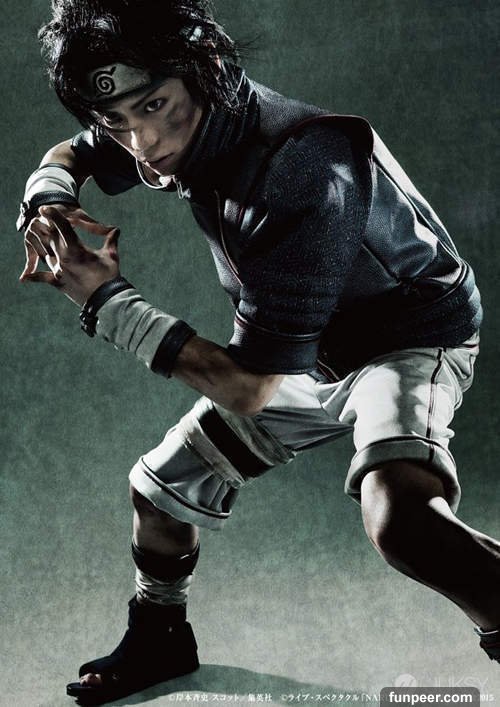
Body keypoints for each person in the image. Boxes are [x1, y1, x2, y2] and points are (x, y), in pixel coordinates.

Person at [18, 0, 499, 703]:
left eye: (154, 107)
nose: (142, 142)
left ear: (208, 70)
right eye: (117, 119)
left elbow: (250, 388)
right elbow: (76, 151)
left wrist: (106, 301)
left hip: (408, 339)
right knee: (159, 492)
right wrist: (48, 196)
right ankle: (160, 636)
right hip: (309, 352)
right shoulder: (170, 116)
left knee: (402, 522)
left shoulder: (305, 168)